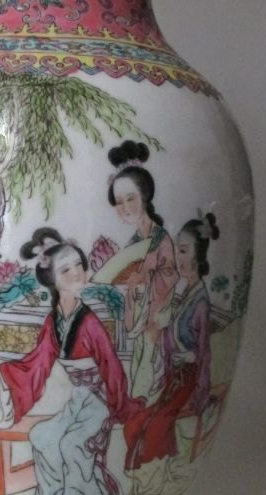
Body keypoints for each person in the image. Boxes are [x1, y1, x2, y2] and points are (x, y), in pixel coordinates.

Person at [0, 233, 142, 495]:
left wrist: (118, 404)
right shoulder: (55, 321)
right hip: (78, 400)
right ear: (52, 280)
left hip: (98, 402)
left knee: (72, 443)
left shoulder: (89, 322)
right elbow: (38, 361)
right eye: (66, 269)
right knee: (42, 435)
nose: (76, 272)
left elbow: (112, 366)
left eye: (79, 265)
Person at [124, 213, 220, 495]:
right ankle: (148, 482)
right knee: (136, 420)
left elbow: (202, 352)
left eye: (184, 250)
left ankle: (154, 487)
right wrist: (159, 334)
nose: (177, 258)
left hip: (189, 379)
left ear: (198, 255)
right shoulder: (186, 292)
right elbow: (173, 336)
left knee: (157, 423)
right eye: (177, 250)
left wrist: (198, 387)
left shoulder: (200, 301)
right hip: (174, 375)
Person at [95, 140, 179, 402]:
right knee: (138, 367)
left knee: (149, 368)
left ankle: (145, 408)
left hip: (156, 319)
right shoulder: (135, 242)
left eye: (130, 198)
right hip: (140, 317)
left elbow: (170, 275)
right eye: (119, 202)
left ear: (145, 196)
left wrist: (145, 278)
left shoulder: (160, 238)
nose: (125, 207)